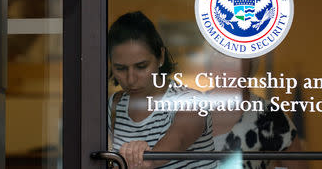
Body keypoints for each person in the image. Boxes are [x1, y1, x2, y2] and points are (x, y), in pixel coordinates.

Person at [108, 11, 217, 169]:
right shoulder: (114, 106)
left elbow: (176, 141)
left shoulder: (191, 102)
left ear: (161, 57)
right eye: (120, 68)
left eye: (141, 66)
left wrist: (142, 157)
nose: (131, 79)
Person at [206, 51, 305, 169]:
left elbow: (297, 164)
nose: (228, 71)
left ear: (249, 67)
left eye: (236, 62)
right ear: (210, 69)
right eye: (223, 62)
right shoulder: (190, 109)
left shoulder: (270, 113)